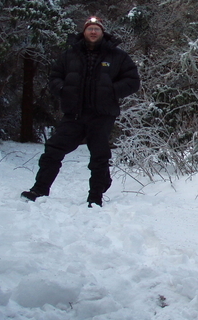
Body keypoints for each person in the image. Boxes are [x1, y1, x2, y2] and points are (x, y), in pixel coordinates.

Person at [22, 17, 140, 207]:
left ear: (102, 33)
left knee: (99, 156)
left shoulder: (117, 56)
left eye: (97, 29)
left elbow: (133, 81)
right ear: (84, 32)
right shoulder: (70, 55)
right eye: (90, 29)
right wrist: (62, 89)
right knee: (53, 150)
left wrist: (111, 89)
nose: (93, 32)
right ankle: (39, 190)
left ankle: (95, 197)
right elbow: (54, 78)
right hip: (74, 114)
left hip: (102, 114)